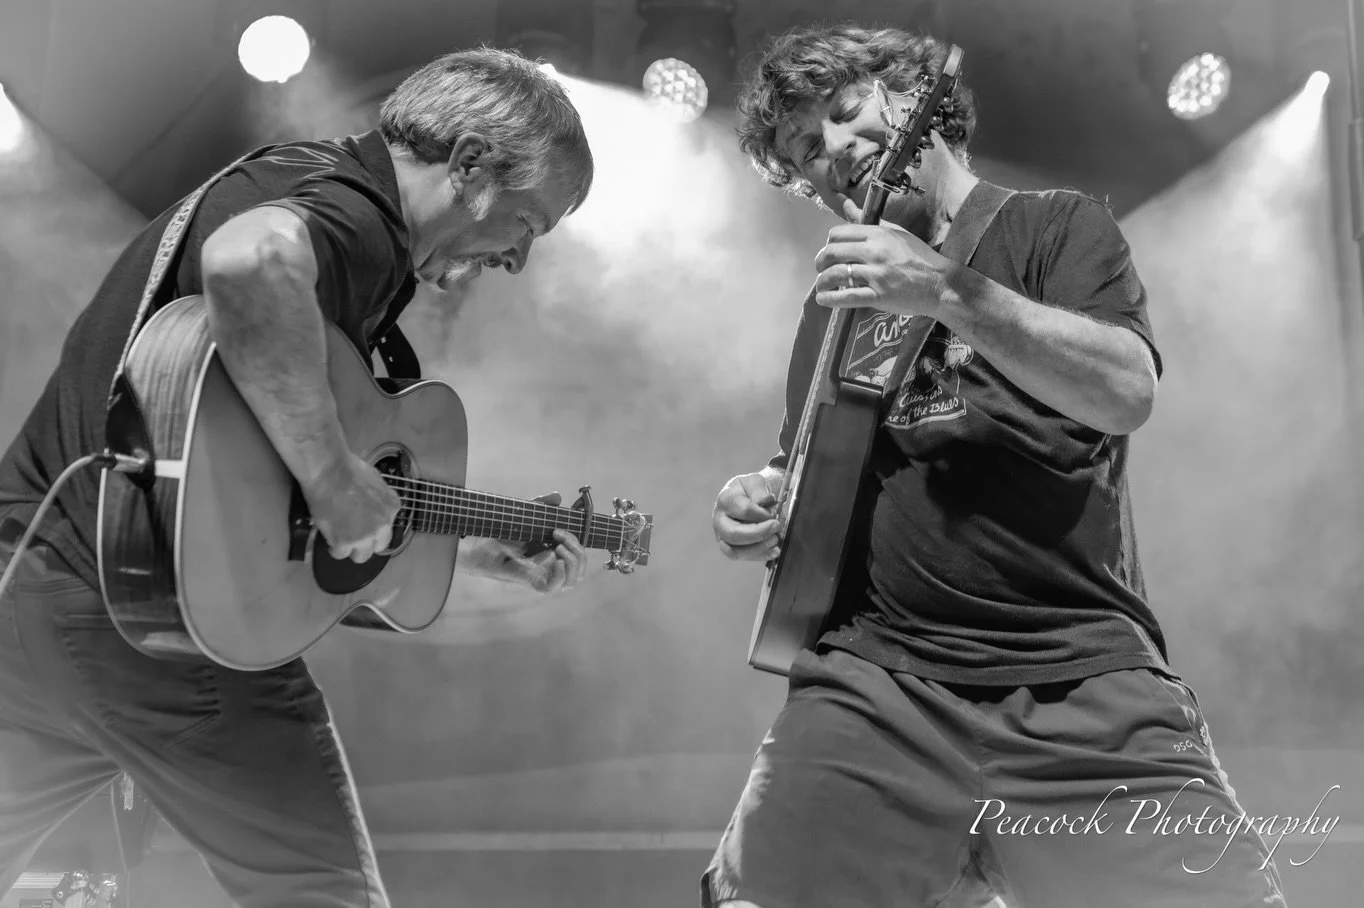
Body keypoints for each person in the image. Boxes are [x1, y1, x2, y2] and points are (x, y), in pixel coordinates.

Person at [707, 23, 1286, 908]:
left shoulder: (1056, 226)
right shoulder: (833, 309)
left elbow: (1125, 389)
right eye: (802, 150)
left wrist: (944, 289)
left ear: (915, 99)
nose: (831, 149)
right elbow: (805, 473)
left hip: (1081, 681)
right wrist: (757, 499)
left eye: (843, 109)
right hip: (875, 683)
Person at [0, 47, 594, 908]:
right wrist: (330, 478)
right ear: (467, 164)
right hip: (160, 637)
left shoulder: (293, 178)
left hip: (33, 593)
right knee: (320, 892)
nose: (518, 260)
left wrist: (453, 542)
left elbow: (235, 473)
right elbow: (251, 263)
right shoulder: (359, 220)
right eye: (528, 224)